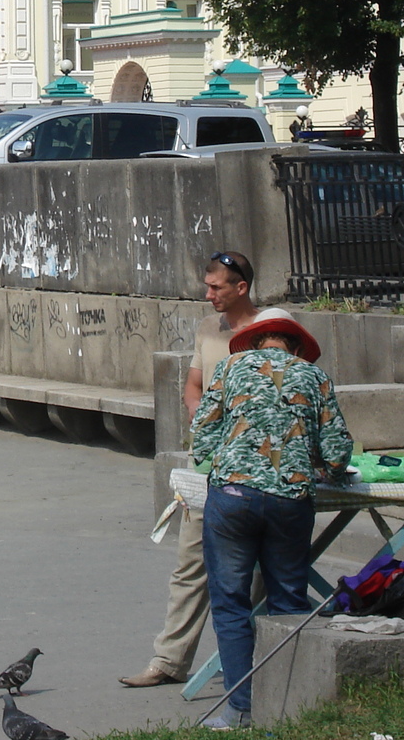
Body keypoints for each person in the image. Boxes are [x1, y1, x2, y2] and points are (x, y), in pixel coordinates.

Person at [120, 252, 296, 688]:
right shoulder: (206, 329)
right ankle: (169, 660)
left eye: (217, 287)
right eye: (207, 285)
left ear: (242, 288)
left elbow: (295, 388)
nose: (209, 294)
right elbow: (193, 386)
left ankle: (249, 664)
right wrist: (205, 418)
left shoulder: (273, 329)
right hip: (210, 463)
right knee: (190, 563)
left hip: (261, 471)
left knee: (254, 573)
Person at [191, 316, 353, 730]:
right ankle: (286, 706)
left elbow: (203, 437)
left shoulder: (229, 368)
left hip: (231, 498)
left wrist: (221, 459)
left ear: (256, 344)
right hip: (290, 501)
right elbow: (337, 452)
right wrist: (327, 470)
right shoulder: (315, 376)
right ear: (296, 349)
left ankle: (240, 708)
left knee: (230, 602)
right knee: (288, 600)